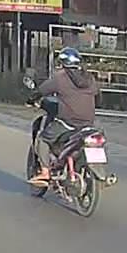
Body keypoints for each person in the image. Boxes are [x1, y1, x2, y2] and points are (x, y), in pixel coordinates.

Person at [30, 47, 99, 184]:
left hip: (68, 122)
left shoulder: (60, 78)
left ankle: (45, 172)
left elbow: (41, 91)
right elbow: (98, 96)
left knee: (43, 140)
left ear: (62, 63)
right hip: (88, 123)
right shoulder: (89, 78)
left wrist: (31, 99)